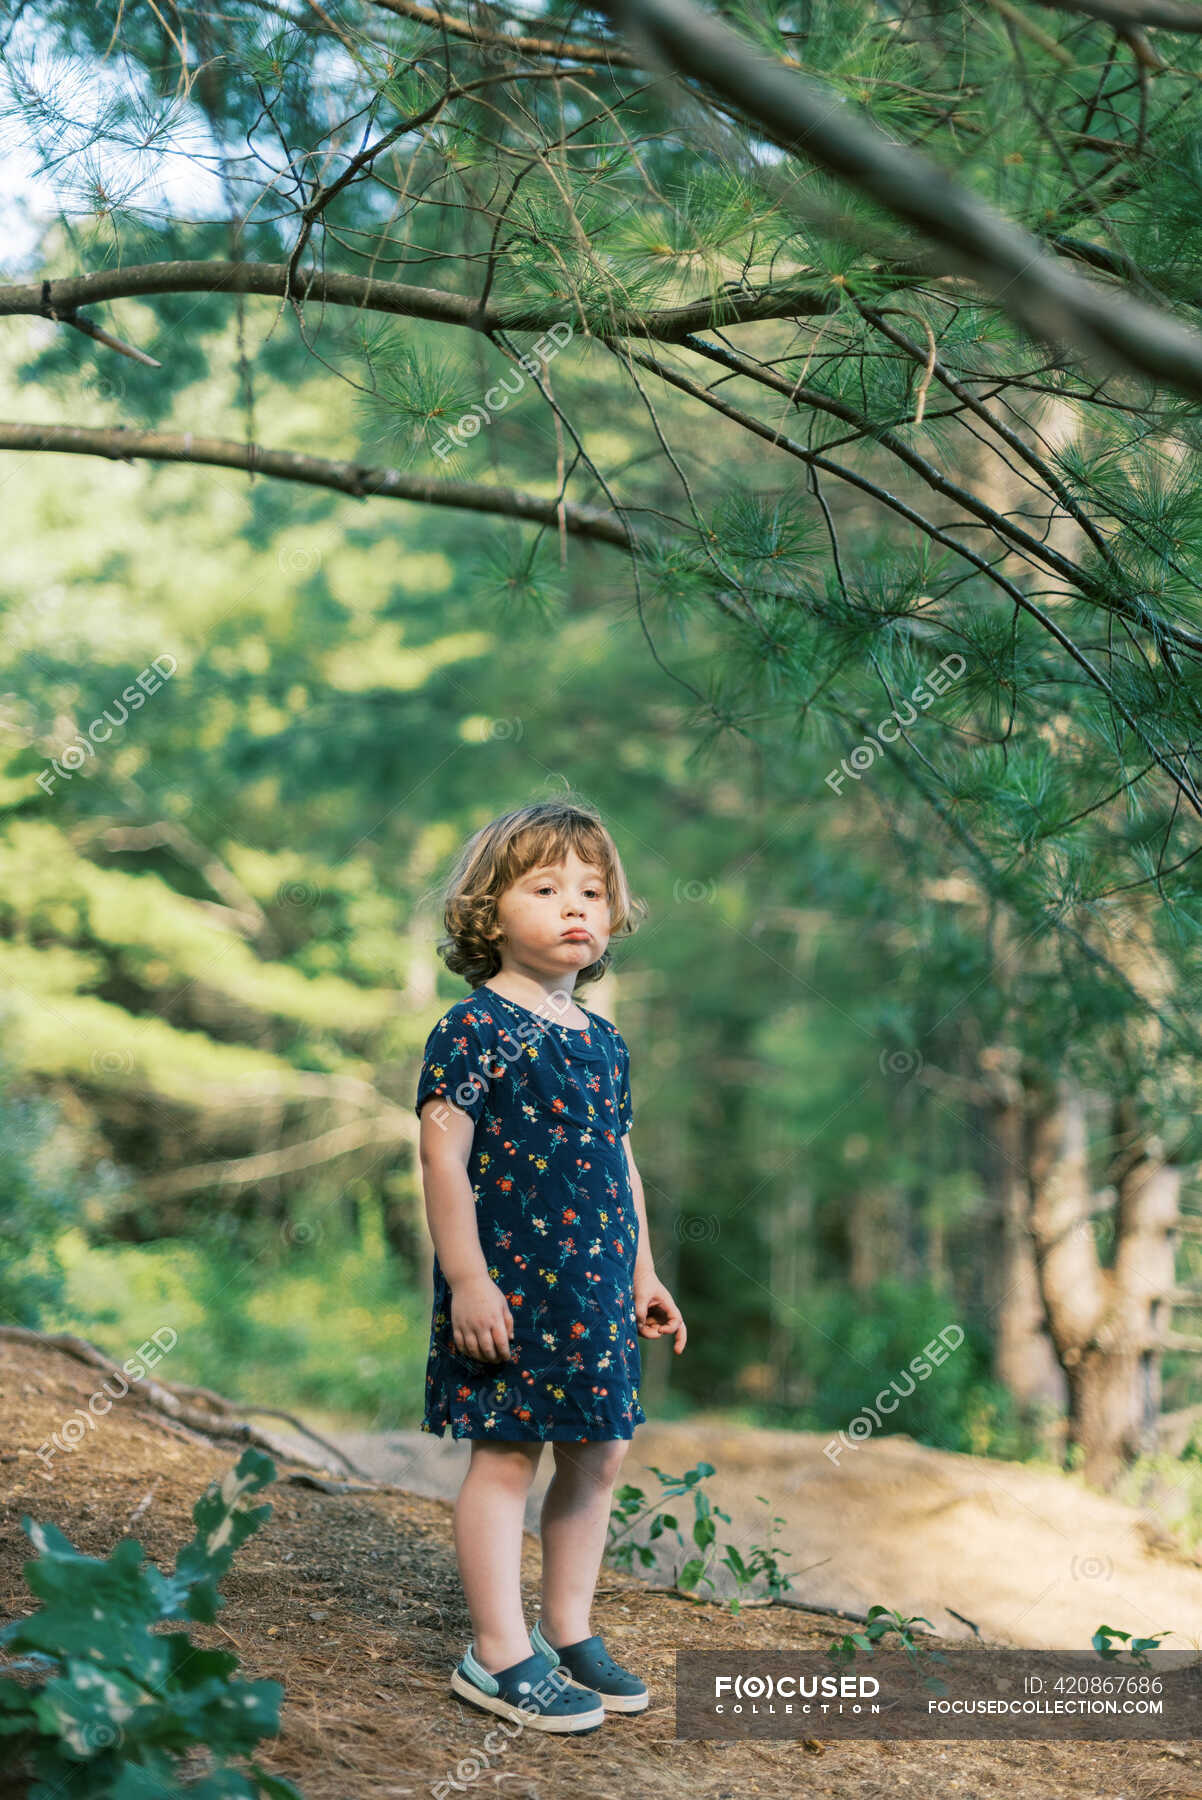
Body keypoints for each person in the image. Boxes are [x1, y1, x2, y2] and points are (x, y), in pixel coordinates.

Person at [414, 798, 686, 1733]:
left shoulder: (601, 1042)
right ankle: (495, 1654)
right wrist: (468, 1281)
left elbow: (621, 1166)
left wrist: (645, 1276)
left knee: (601, 1449)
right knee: (508, 1452)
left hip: (597, 1287)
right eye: (547, 887)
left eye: (594, 890)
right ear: (489, 912)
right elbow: (441, 1156)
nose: (578, 906)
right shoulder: (472, 1030)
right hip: (511, 1289)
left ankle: (567, 1629)